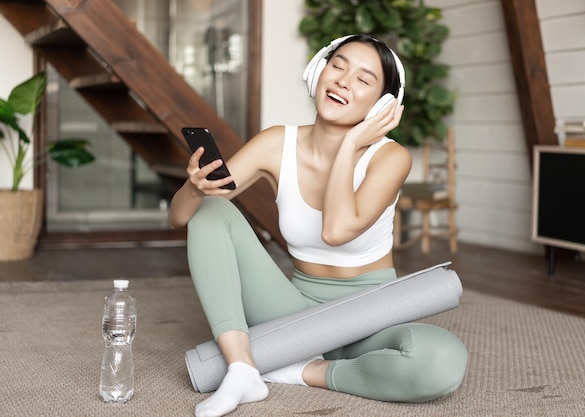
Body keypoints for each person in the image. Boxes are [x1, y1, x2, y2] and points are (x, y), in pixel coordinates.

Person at [168, 34, 468, 417]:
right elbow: (179, 218)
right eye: (338, 65)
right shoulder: (277, 143)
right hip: (295, 313)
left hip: (371, 314)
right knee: (211, 210)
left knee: (441, 360)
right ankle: (243, 367)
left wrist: (349, 145)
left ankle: (298, 369)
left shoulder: (391, 158)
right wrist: (195, 190)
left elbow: (336, 231)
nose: (343, 80)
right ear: (317, 72)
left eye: (363, 79)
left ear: (383, 105)